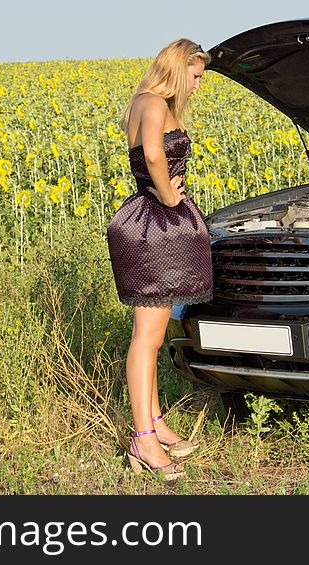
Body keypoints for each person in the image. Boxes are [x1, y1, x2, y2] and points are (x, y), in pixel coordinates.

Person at [106, 39, 213, 480]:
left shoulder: (145, 101)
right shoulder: (152, 102)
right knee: (147, 338)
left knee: (150, 334)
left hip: (151, 224)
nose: (198, 84)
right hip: (154, 225)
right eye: (196, 75)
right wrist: (170, 194)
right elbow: (152, 154)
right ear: (176, 66)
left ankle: (155, 424)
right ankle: (143, 439)